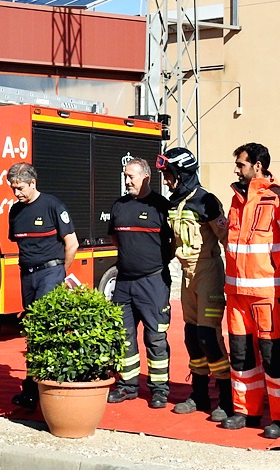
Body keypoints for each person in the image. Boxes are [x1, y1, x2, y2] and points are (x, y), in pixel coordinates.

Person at [222, 142, 280, 439]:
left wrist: (273, 272)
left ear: (257, 166)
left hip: (268, 294)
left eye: (241, 164)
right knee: (241, 356)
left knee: (274, 357)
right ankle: (246, 412)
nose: (236, 169)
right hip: (237, 294)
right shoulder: (236, 199)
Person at [155, 148, 233, 421]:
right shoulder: (174, 202)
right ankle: (199, 394)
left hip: (208, 273)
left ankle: (226, 398)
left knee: (209, 336)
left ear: (182, 173)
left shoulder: (206, 201)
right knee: (191, 335)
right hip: (186, 275)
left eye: (168, 174)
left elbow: (226, 238)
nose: (166, 180)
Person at [6, 162, 79, 410]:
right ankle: (35, 386)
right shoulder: (15, 211)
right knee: (32, 330)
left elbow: (72, 244)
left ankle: (41, 387)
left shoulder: (52, 206)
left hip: (50, 272)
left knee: (45, 329)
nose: (16, 193)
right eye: (13, 188)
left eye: (20, 188)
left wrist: (60, 271)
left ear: (33, 183)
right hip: (27, 276)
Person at [106, 158, 174, 409]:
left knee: (155, 338)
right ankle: (127, 386)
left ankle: (159, 390)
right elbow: (115, 237)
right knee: (124, 337)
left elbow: (173, 244)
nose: (126, 181)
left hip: (153, 282)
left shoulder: (160, 207)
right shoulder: (119, 206)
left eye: (131, 176)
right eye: (125, 176)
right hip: (124, 282)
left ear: (145, 177)